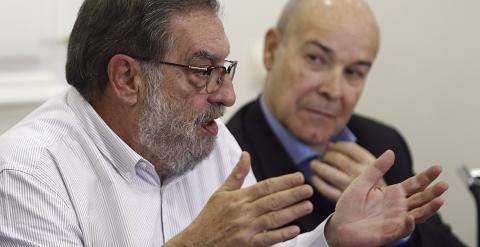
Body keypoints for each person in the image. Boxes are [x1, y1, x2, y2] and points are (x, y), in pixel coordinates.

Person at [0, 0, 445, 246]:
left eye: (224, 69)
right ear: (127, 78)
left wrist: (330, 237)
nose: (228, 95)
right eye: (201, 70)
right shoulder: (28, 175)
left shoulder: (210, 145)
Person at [227, 0, 465, 246]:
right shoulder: (227, 161)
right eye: (315, 59)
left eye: (353, 72)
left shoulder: (384, 146)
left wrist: (397, 230)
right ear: (272, 50)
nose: (333, 90)